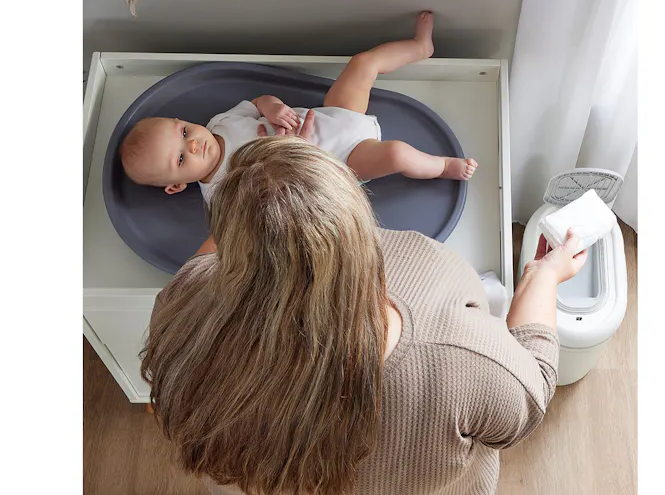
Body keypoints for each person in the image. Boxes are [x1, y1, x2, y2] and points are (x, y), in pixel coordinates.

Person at [140, 131, 588, 495]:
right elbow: (533, 389)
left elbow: (208, 267)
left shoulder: (182, 309)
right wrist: (542, 277)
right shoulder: (462, 358)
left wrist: (267, 208)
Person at [120, 12, 478, 204]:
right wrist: (292, 154)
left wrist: (273, 108)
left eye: (184, 133)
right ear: (176, 187)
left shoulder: (220, 122)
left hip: (331, 116)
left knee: (362, 64)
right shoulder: (221, 193)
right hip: (341, 157)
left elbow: (257, 102)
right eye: (182, 159)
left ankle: (420, 48)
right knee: (398, 155)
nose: (195, 144)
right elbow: (275, 201)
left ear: (184, 121)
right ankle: (443, 166)